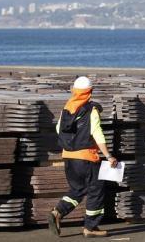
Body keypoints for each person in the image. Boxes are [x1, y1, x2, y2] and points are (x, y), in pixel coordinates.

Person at [48, 76, 118, 238]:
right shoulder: (91, 110)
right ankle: (90, 227)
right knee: (96, 190)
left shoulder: (66, 109)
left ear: (74, 90)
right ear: (90, 92)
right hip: (86, 158)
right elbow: (98, 134)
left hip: (68, 157)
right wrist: (108, 156)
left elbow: (59, 129)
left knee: (78, 189)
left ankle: (58, 212)